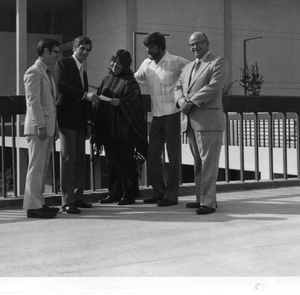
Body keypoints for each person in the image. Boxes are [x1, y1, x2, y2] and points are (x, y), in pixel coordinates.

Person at [174, 32, 227, 215]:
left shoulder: (217, 62)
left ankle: (209, 203)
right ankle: (200, 198)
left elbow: (213, 87)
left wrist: (191, 102)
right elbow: (178, 87)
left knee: (209, 164)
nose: (194, 47)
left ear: (207, 43)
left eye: (198, 44)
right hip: (190, 121)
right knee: (198, 163)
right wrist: (181, 101)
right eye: (191, 45)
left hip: (209, 122)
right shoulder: (187, 67)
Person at [135, 32, 189, 207]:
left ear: (161, 47)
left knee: (173, 156)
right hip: (156, 115)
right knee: (152, 154)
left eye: (151, 47)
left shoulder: (176, 61)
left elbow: (195, 72)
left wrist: (187, 96)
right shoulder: (147, 64)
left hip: (173, 113)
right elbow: (135, 79)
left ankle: (172, 195)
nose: (148, 50)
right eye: (147, 47)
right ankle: (159, 192)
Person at [92, 50, 148, 205]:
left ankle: (129, 195)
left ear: (126, 65)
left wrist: (121, 103)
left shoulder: (130, 81)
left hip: (125, 131)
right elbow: (99, 97)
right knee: (111, 162)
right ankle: (114, 193)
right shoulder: (106, 79)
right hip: (108, 129)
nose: (115, 66)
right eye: (114, 62)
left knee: (126, 162)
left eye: (120, 63)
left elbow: (135, 104)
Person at [53, 35, 100, 214]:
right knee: (68, 158)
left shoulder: (84, 73)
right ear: (74, 48)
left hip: (80, 121)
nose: (85, 52)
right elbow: (61, 86)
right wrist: (84, 95)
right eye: (82, 48)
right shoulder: (63, 63)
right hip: (66, 119)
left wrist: (88, 120)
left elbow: (84, 99)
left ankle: (78, 197)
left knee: (79, 158)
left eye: (88, 50)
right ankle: (67, 201)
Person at [23, 38, 61, 219]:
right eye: (54, 52)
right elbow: (33, 101)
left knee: (42, 167)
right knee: (36, 167)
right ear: (45, 51)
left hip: (46, 128)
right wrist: (41, 125)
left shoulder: (45, 72)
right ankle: (33, 206)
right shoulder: (34, 72)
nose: (56, 55)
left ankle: (39, 203)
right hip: (39, 128)